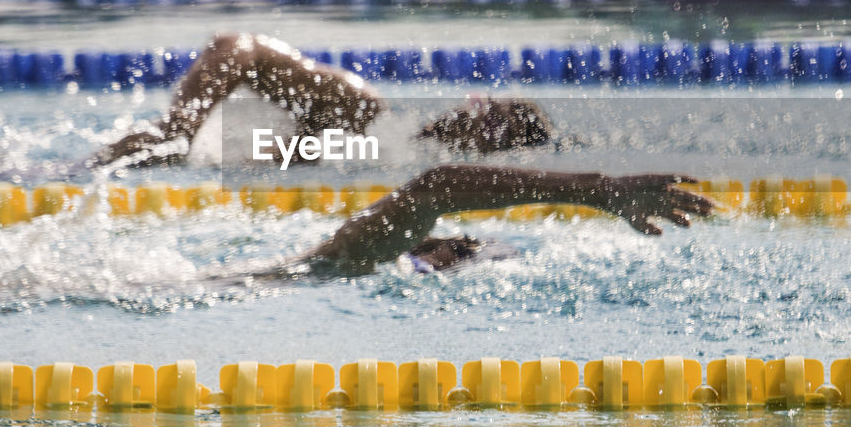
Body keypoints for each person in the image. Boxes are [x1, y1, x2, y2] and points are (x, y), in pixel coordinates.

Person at [93, 32, 556, 168]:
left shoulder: (384, 156)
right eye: (492, 119)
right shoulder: (362, 107)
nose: (482, 131)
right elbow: (239, 46)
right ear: (476, 103)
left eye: (499, 138)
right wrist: (184, 126)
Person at [290, 163, 713, 276]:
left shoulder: (347, 258)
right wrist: (594, 190)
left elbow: (434, 188)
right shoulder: (347, 256)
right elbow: (435, 187)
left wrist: (594, 190)